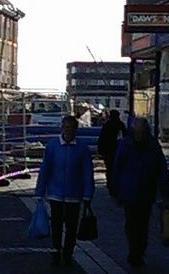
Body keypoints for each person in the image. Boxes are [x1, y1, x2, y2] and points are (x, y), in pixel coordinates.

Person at [110, 115, 169, 269]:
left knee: (143, 224)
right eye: (137, 132)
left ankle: (138, 251)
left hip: (146, 191)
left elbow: (161, 169)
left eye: (141, 133)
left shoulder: (152, 146)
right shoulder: (126, 144)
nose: (139, 136)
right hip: (129, 191)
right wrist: (115, 189)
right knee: (132, 223)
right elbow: (117, 167)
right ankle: (134, 252)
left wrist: (165, 192)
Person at [36, 114, 95, 268]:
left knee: (71, 228)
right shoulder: (53, 146)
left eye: (72, 128)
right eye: (66, 127)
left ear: (76, 130)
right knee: (56, 226)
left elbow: (88, 172)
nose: (68, 131)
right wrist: (40, 190)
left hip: (74, 195)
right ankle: (56, 253)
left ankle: (68, 254)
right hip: (55, 193)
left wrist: (88, 194)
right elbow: (45, 169)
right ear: (62, 128)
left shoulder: (82, 149)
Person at [97, 108, 125, 190]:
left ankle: (110, 184)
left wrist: (100, 150)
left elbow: (101, 138)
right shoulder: (121, 125)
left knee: (109, 168)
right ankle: (116, 184)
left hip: (108, 151)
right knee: (118, 168)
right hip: (119, 150)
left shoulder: (107, 125)